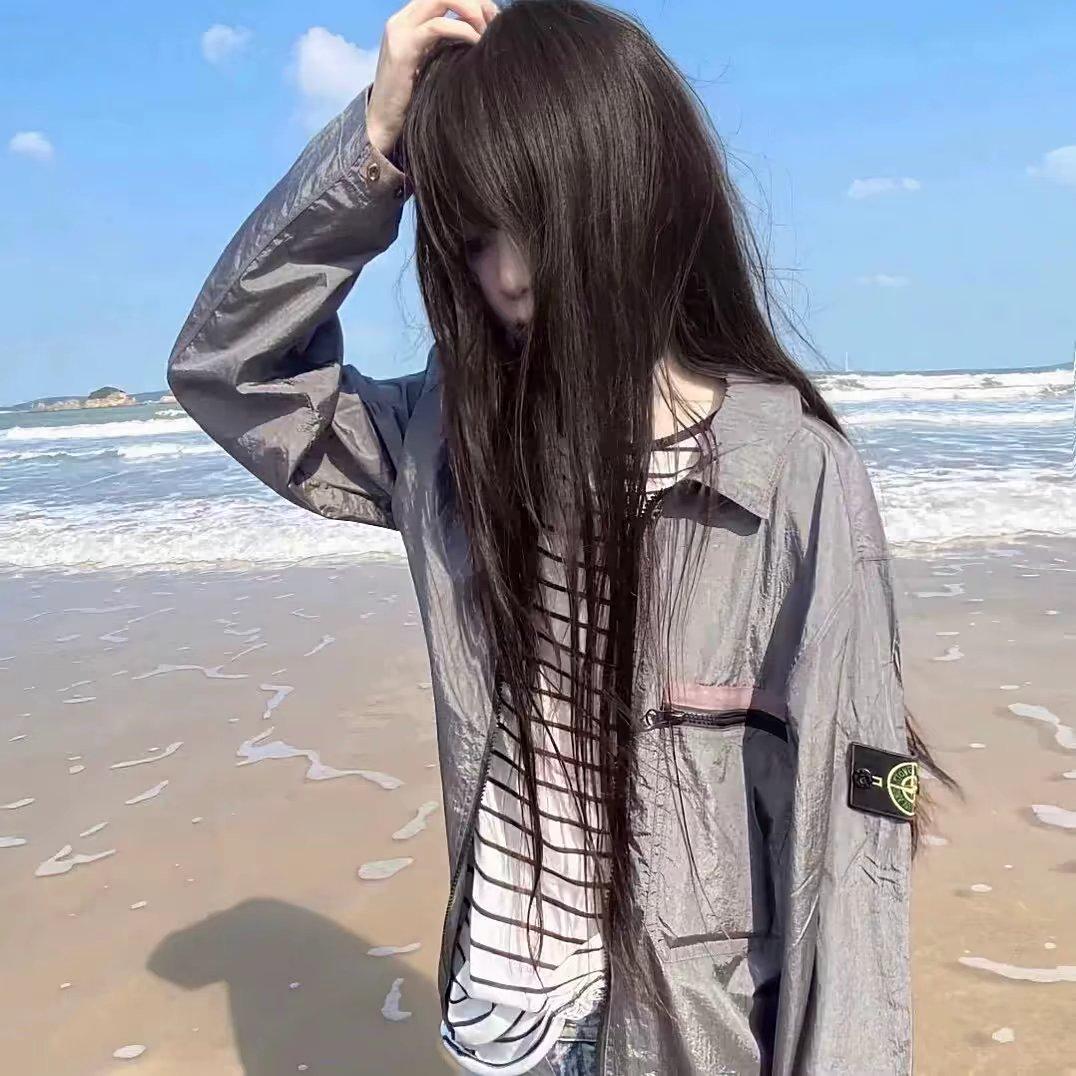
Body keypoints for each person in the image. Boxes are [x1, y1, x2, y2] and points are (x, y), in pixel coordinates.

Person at [166, 2, 953, 1073]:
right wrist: (376, 143)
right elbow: (230, 373)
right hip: (495, 1023)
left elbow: (850, 833)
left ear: (636, 190)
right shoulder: (451, 442)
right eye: (473, 236)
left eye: (529, 220)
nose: (503, 275)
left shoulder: (791, 476)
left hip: (683, 1038)